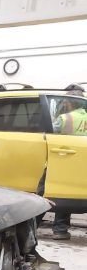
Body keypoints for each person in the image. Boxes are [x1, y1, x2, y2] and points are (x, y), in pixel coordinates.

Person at [49, 95, 87, 240]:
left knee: (62, 193)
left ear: (69, 103)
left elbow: (49, 134)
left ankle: (60, 229)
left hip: (69, 160)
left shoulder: (65, 118)